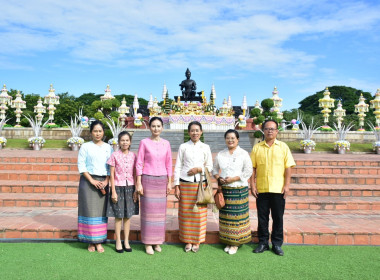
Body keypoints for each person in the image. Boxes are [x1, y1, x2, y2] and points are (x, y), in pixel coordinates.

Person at [250, 120, 296, 256]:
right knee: (262, 217)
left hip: (278, 189)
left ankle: (276, 244)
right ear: (263, 131)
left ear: (277, 131)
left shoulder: (283, 147)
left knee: (278, 217)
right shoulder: (257, 148)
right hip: (262, 189)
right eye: (267, 128)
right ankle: (263, 242)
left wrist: (287, 186)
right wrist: (252, 185)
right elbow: (252, 168)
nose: (270, 131)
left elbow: (288, 167)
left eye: (273, 129)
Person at [135, 117, 172, 255]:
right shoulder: (144, 143)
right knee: (148, 213)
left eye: (158, 126)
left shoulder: (166, 144)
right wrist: (139, 182)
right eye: (153, 126)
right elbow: (139, 163)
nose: (156, 129)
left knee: (160, 214)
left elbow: (169, 163)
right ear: (149, 127)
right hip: (148, 179)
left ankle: (157, 241)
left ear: (162, 127)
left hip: (162, 180)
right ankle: (147, 243)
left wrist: (169, 181)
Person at [174, 121, 212, 253]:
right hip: (185, 183)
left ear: (201, 132)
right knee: (186, 213)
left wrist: (198, 169)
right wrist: (176, 185)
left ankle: (197, 240)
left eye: (197, 130)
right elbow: (178, 166)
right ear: (189, 132)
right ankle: (187, 240)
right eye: (192, 130)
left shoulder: (205, 147)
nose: (195, 133)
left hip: (201, 184)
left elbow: (210, 166)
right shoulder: (183, 147)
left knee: (199, 214)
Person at [213, 129, 253, 255]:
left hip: (239, 189)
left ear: (238, 139)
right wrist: (219, 178)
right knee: (226, 217)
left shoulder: (243, 154)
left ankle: (235, 243)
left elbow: (248, 171)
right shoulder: (221, 154)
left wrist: (234, 178)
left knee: (237, 217)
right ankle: (228, 240)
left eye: (233, 138)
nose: (230, 140)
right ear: (225, 139)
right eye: (228, 138)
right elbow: (214, 169)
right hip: (225, 190)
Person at [77, 120, 112, 253]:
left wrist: (107, 180)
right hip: (88, 183)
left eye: (100, 131)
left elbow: (111, 166)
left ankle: (99, 241)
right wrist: (91, 180)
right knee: (89, 211)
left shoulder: (108, 148)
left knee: (101, 212)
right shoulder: (85, 147)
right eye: (95, 131)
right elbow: (81, 165)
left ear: (103, 132)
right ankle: (90, 241)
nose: (98, 134)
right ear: (91, 132)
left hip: (103, 183)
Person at [106, 131, 139, 253]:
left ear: (130, 142)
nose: (125, 142)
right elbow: (112, 174)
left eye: (127, 140)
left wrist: (136, 189)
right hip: (118, 187)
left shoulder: (133, 156)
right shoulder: (114, 155)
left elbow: (135, 173)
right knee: (118, 216)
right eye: (122, 140)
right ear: (119, 142)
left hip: (130, 187)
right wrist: (113, 191)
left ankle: (126, 240)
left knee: (128, 216)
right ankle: (118, 240)